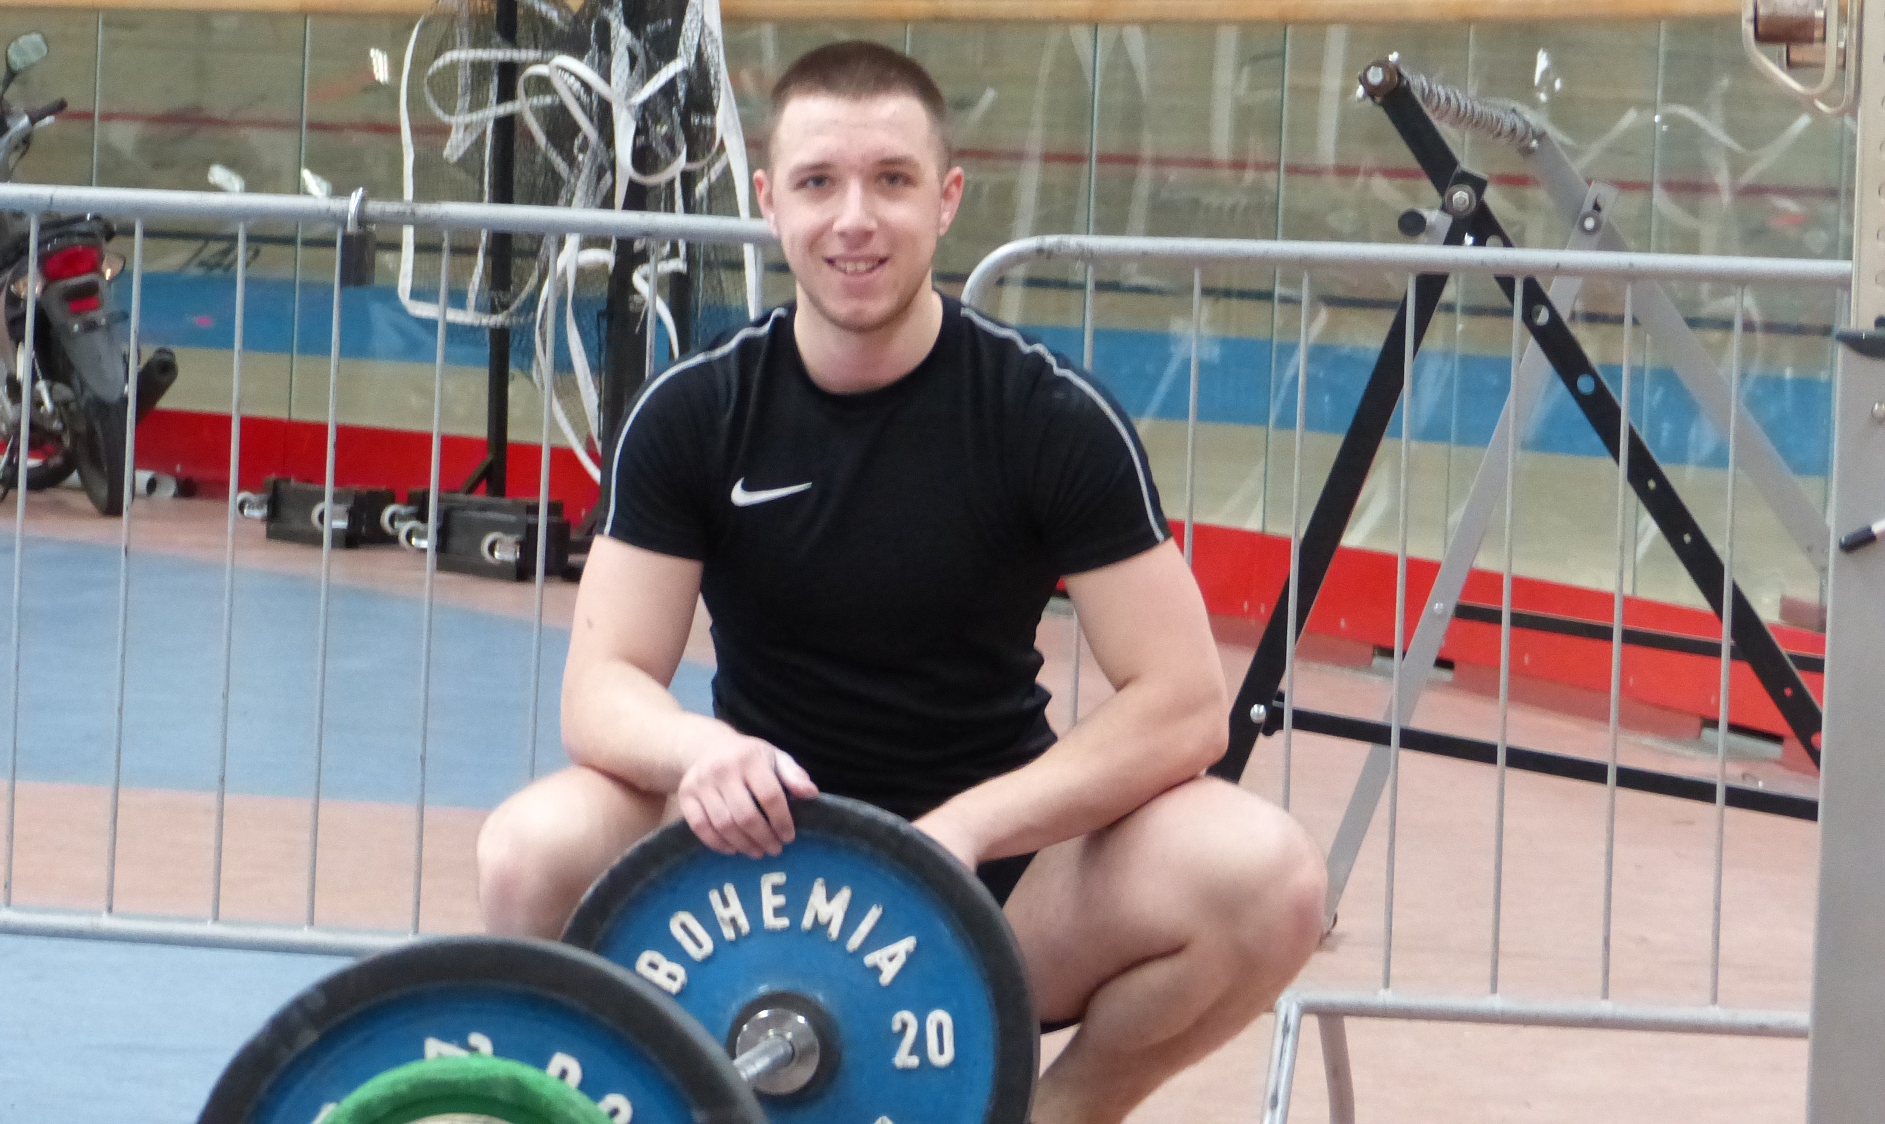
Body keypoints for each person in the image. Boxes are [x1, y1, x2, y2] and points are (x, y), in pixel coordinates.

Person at [477, 40, 1327, 1124]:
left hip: (990, 879)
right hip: (754, 868)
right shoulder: (694, 413)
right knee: (526, 851)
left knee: (1268, 875)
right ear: (768, 201)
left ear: (945, 200)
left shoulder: (1045, 415)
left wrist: (966, 828)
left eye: (891, 180)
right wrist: (701, 752)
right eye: (818, 182)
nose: (854, 220)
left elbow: (1183, 704)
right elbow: (600, 688)